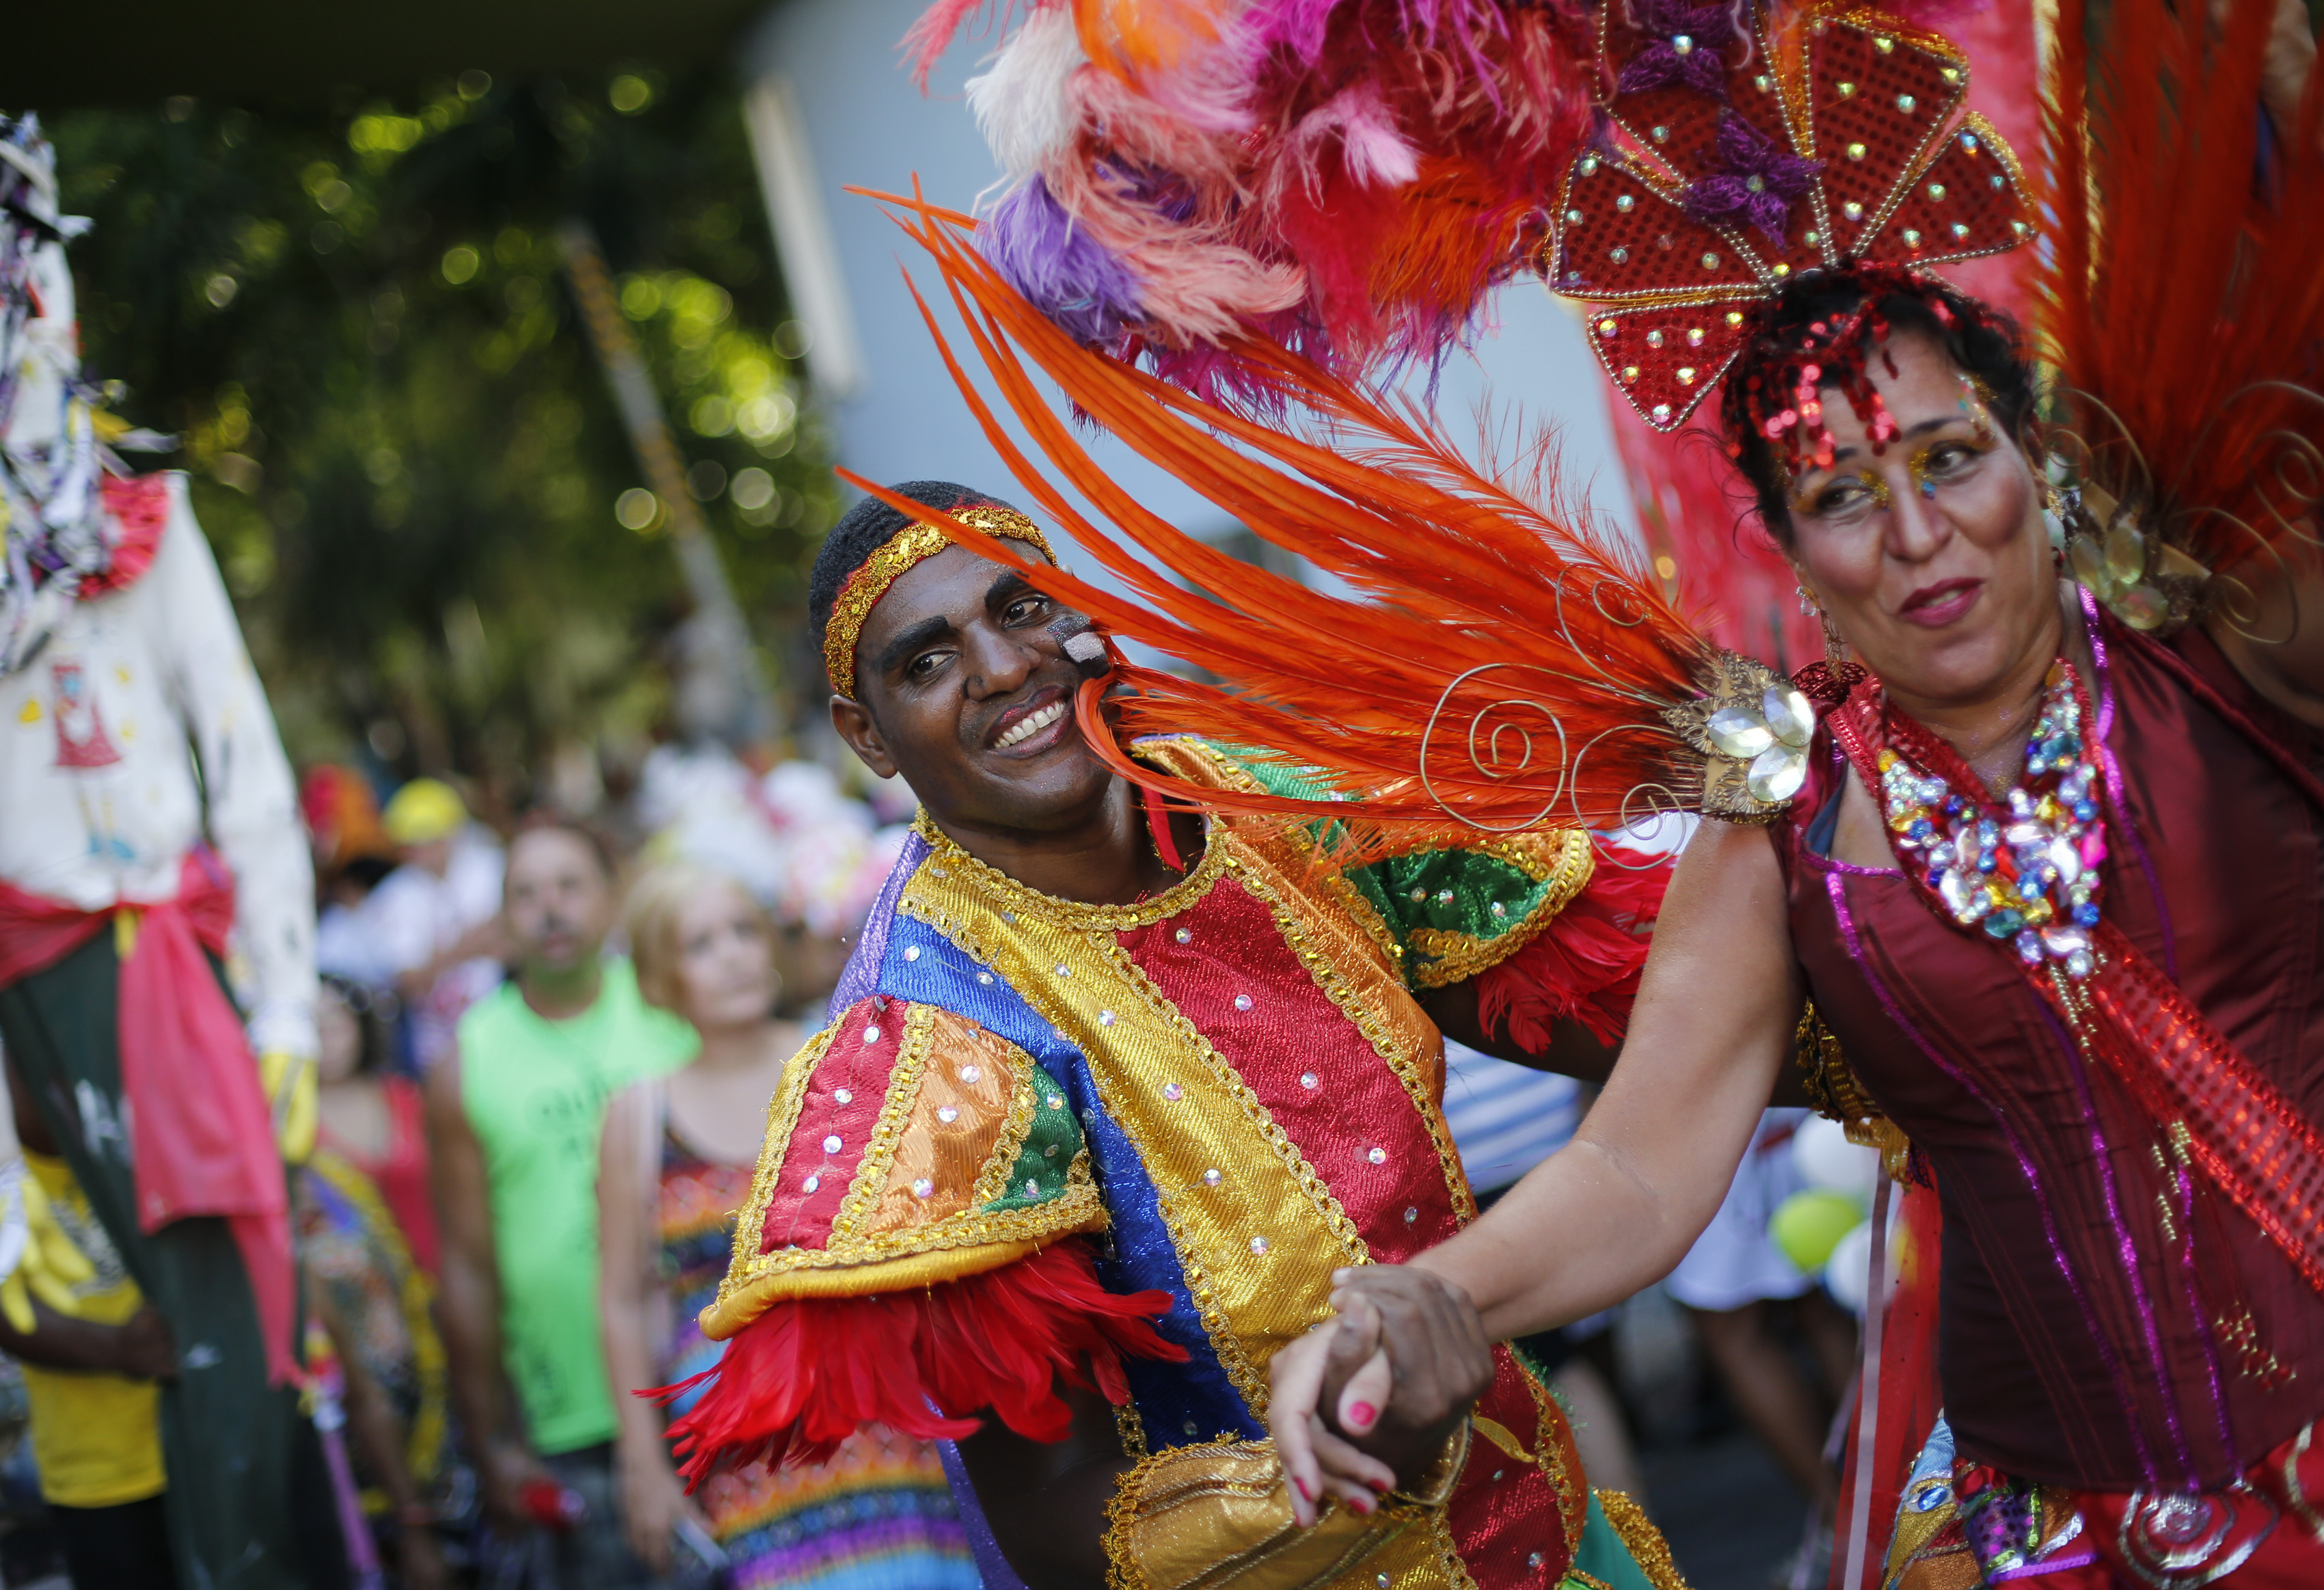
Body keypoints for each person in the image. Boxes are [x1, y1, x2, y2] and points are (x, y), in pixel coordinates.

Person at [660, 481, 1687, 1590]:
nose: (1002, 667)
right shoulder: (932, 1035)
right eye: (928, 660)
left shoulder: (1272, 802)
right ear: (867, 735)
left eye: (1021, 607)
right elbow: (1045, 1516)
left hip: (1549, 1541)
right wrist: (1333, 1465)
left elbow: (1652, 1012)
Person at [0, 114, 334, 1590]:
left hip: (179, 963)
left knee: (244, 1326)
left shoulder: (143, 517)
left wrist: (282, 1003)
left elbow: (247, 766)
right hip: (39, 974)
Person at [599, 863, 975, 1587]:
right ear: (659, 979)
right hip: (749, 1445)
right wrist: (642, 1462)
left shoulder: (847, 1055)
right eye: (700, 944)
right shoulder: (639, 1115)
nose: (733, 955)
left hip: (889, 1411)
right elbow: (623, 1299)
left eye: (744, 930)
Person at [427, 817, 698, 1589]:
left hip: (707, 1371)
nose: (551, 909)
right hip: (571, 1418)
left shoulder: (672, 1007)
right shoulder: (466, 1063)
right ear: (501, 919)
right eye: (527, 893)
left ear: (612, 898)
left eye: (570, 886)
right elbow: (467, 1268)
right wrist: (491, 1441)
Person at [368, 779, 509, 1070]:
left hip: (505, 1029)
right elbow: (407, 982)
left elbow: (515, 944)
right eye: (411, 844)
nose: (420, 853)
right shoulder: (393, 896)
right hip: (435, 1048)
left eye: (430, 840)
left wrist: (436, 959)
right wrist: (470, 945)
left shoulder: (493, 867)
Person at [317, 973, 440, 1275]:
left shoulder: (407, 1098)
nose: (325, 1035)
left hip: (436, 1275)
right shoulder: (285, 1120)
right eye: (311, 1024)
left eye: (334, 1020)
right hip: (352, 1292)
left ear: (360, 1023)